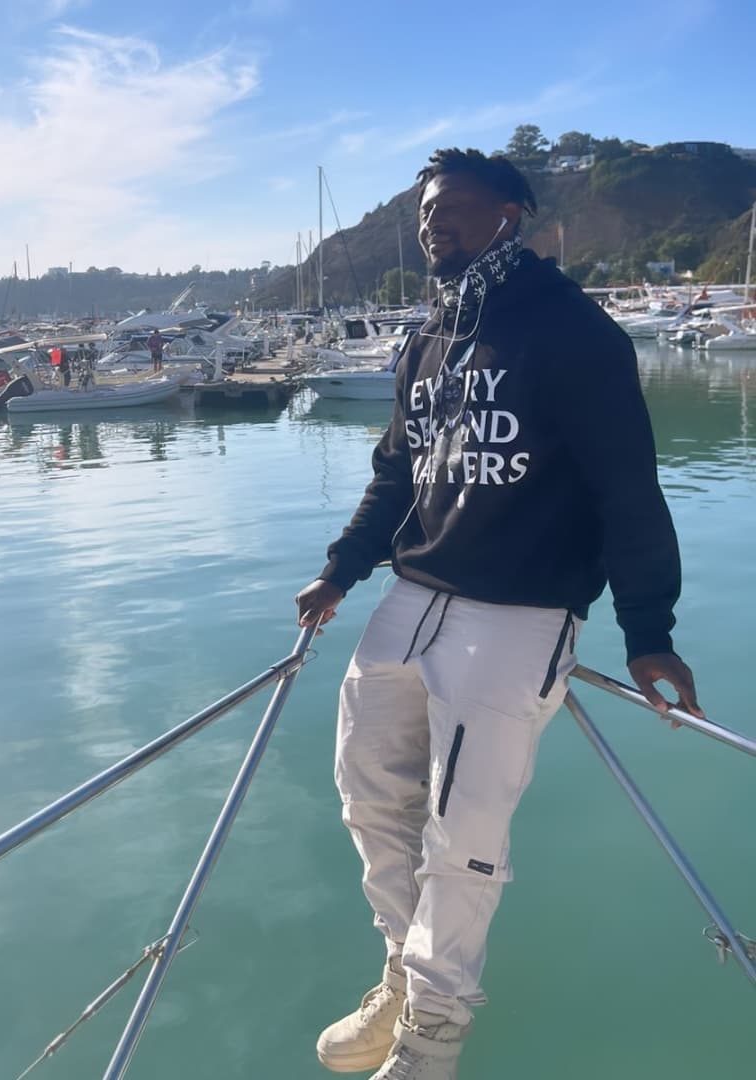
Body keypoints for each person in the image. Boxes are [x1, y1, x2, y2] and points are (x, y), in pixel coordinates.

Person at [295, 147, 702, 1080]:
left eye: (453, 207)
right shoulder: (431, 335)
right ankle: (404, 972)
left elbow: (628, 491)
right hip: (412, 598)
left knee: (464, 830)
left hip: (518, 612)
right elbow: (397, 474)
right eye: (425, 211)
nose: (432, 223)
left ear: (509, 215)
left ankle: (433, 1037)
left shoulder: (573, 332)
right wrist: (342, 570)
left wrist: (648, 632)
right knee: (369, 794)